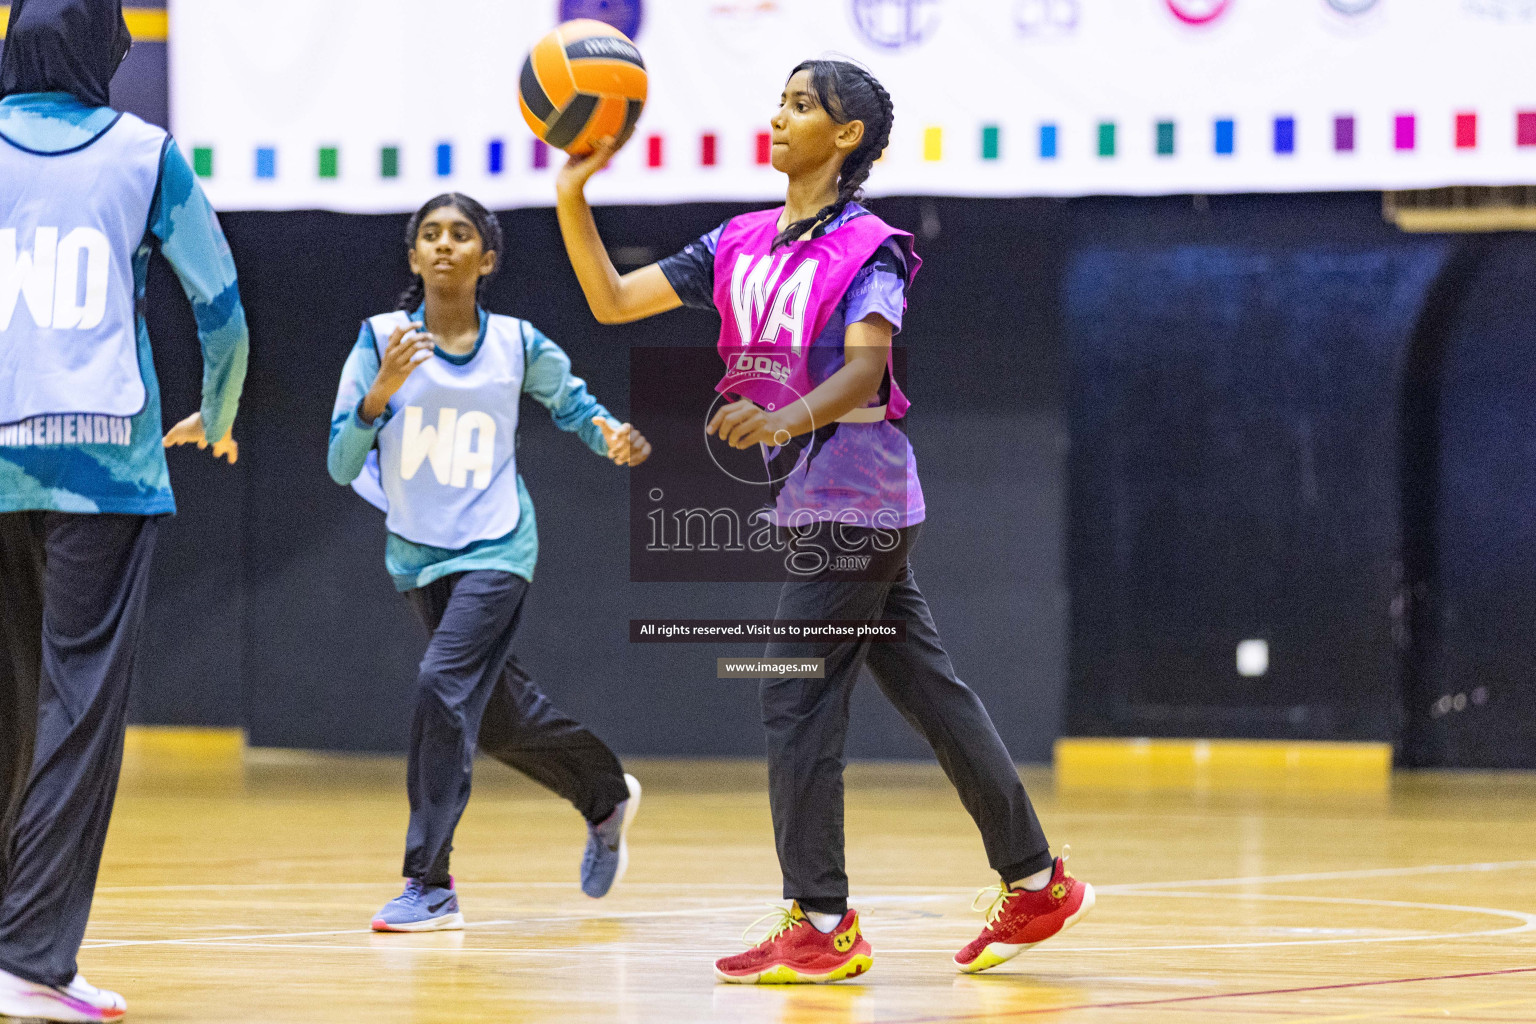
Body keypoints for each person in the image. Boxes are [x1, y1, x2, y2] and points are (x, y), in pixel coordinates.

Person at [553, 59, 1094, 983]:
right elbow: (610, 300)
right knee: (930, 692)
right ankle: (1035, 879)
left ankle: (821, 920)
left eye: (803, 105)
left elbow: (867, 376)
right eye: (781, 100)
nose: (779, 115)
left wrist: (779, 415)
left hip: (860, 503)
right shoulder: (738, 241)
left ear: (845, 137)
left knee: (794, 693)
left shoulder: (871, 247)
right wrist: (571, 194)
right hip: (827, 504)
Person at [0, 0, 249, 1018]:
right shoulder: (145, 152)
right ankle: (32, 956)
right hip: (105, 461)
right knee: (77, 705)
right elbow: (221, 305)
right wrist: (220, 410)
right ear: (106, 48)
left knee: (8, 702)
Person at [327, 193, 648, 932]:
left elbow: (573, 405)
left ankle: (429, 884)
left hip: (499, 546)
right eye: (430, 235)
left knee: (443, 684)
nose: (444, 245)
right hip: (419, 554)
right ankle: (605, 794)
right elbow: (342, 464)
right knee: (497, 720)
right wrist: (377, 397)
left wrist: (610, 437)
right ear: (413, 256)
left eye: (461, 234)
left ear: (487, 258)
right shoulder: (380, 341)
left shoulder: (516, 344)